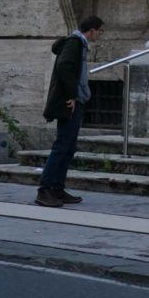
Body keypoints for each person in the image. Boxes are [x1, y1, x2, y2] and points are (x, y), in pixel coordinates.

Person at [37, 14, 103, 208]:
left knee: (69, 147)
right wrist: (72, 96)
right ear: (91, 30)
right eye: (99, 31)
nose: (99, 35)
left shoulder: (78, 44)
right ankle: (45, 189)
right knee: (62, 146)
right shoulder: (74, 44)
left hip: (75, 101)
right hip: (69, 103)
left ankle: (57, 188)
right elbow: (64, 67)